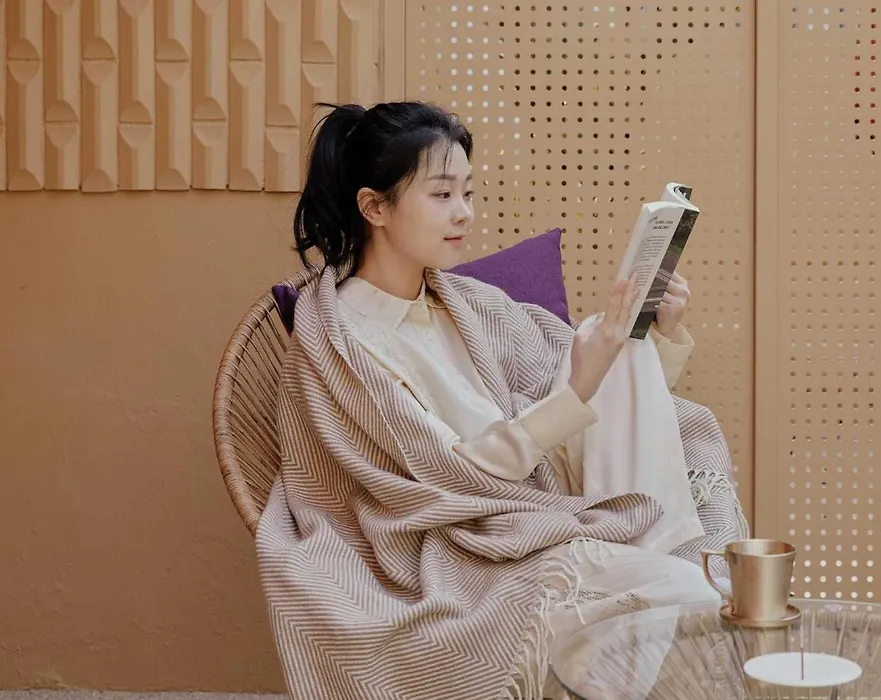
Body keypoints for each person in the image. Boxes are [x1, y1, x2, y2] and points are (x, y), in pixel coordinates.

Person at [255, 100, 749, 700]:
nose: (464, 212)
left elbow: (588, 407)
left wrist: (655, 334)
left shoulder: (470, 305)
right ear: (375, 207)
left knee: (611, 338)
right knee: (689, 597)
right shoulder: (343, 339)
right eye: (442, 194)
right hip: (461, 536)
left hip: (547, 496)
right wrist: (580, 385)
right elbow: (446, 477)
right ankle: (659, 564)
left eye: (467, 192)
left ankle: (656, 556)